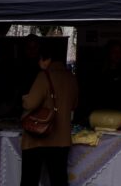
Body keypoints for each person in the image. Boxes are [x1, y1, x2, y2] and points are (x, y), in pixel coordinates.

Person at [21, 41, 79, 186]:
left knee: (30, 179)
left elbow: (31, 103)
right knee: (59, 180)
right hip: (61, 139)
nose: (39, 63)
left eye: (40, 59)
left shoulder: (43, 76)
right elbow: (74, 105)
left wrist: (24, 98)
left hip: (39, 137)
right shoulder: (71, 77)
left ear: (47, 59)